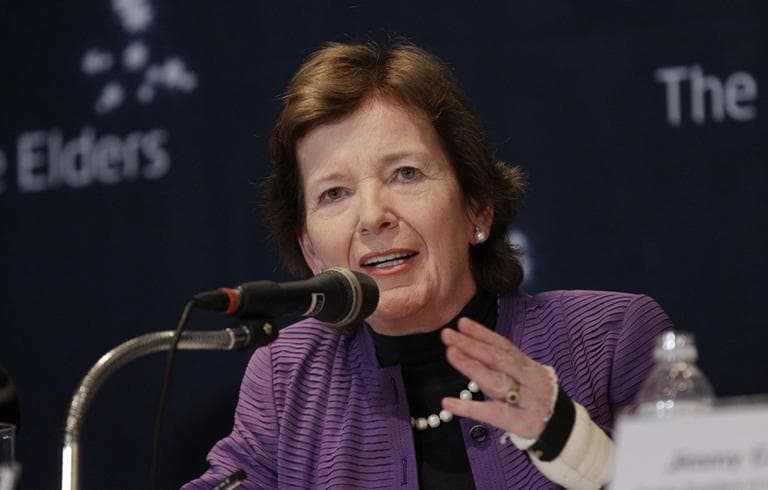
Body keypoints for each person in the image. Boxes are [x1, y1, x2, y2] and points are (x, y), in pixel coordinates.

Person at [184, 40, 672, 489]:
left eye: (405, 173)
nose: (372, 216)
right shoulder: (288, 377)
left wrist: (574, 443)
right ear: (310, 248)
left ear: (477, 208)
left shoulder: (609, 341)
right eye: (334, 193)